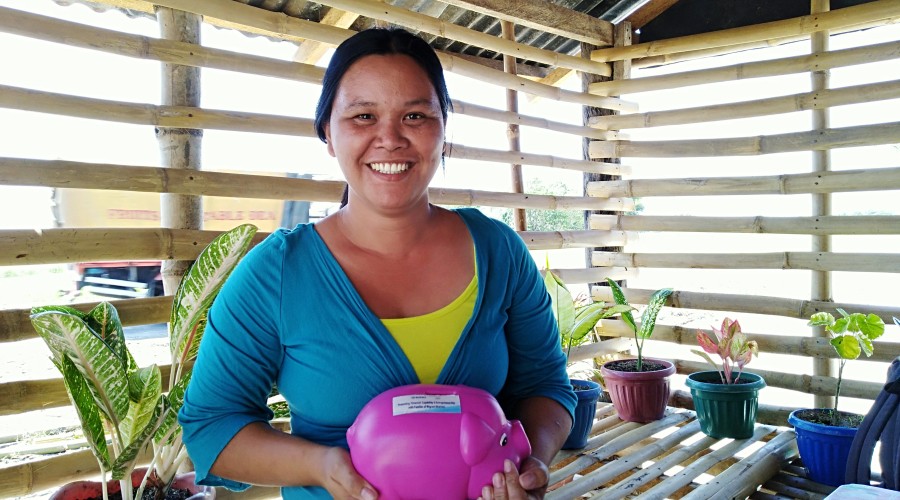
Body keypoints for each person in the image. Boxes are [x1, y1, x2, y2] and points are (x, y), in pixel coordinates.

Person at [178, 27, 576, 500]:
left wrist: (529, 463)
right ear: (327, 132)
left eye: (415, 115)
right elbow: (211, 428)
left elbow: (546, 385)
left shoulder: (498, 252)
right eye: (363, 116)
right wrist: (321, 466)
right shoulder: (278, 274)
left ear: (443, 129)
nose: (389, 139)